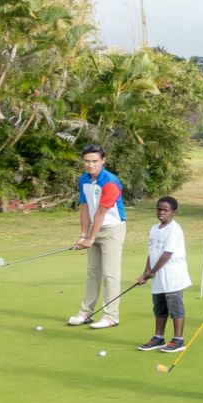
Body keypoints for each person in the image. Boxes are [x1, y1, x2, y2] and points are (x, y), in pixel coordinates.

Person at [67, 144, 128, 330]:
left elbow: (101, 212)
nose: (90, 165)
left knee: (110, 274)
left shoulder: (110, 181)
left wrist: (90, 239)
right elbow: (85, 208)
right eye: (87, 161)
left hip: (112, 230)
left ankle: (111, 316)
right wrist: (82, 235)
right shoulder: (83, 180)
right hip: (94, 229)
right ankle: (86, 313)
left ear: (103, 161)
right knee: (93, 272)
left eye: (94, 161)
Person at [135, 196, 190, 354]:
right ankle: (158, 337)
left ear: (174, 212)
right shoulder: (154, 229)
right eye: (159, 209)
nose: (161, 213)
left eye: (166, 210)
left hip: (173, 276)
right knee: (159, 308)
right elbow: (152, 253)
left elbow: (166, 254)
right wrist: (146, 272)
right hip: (158, 277)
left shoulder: (174, 229)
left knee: (175, 307)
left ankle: (178, 340)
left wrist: (152, 272)